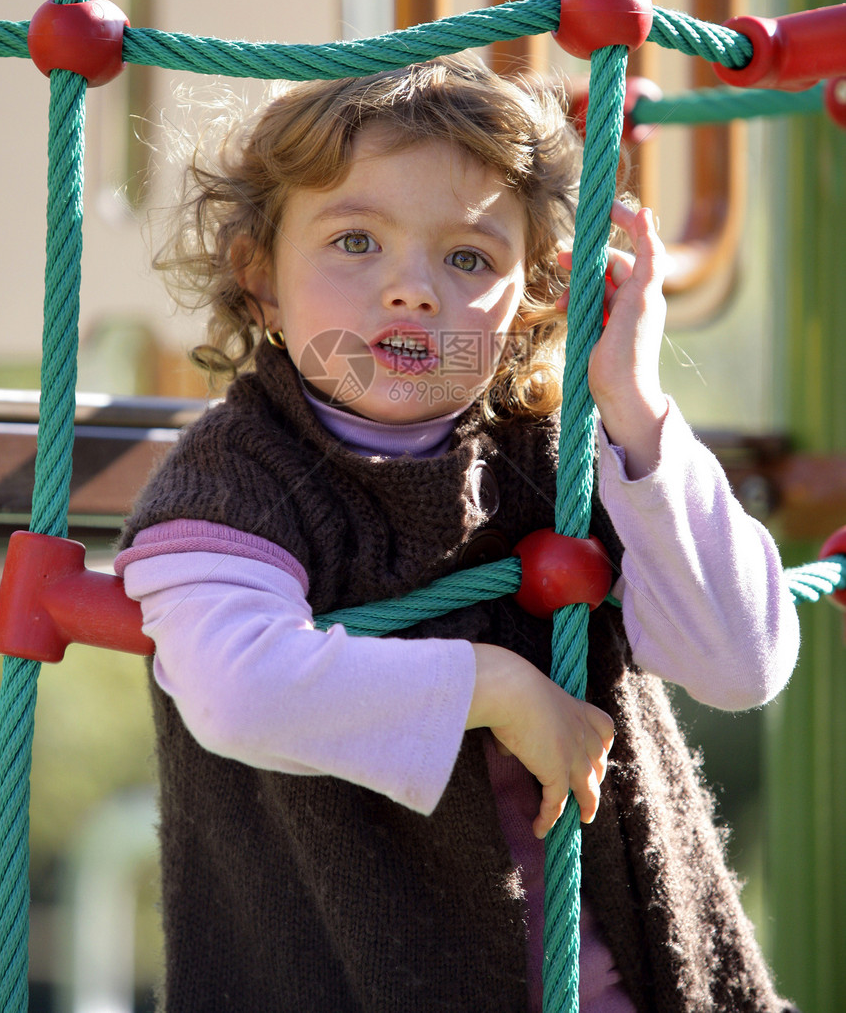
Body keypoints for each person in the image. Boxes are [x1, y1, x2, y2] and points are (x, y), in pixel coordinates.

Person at [115, 56, 800, 1013]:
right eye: (355, 240)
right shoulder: (234, 479)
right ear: (260, 278)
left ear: (531, 299)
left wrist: (635, 407)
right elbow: (240, 689)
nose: (413, 289)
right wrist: (490, 686)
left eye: (469, 257)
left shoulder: (558, 456)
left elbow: (741, 662)